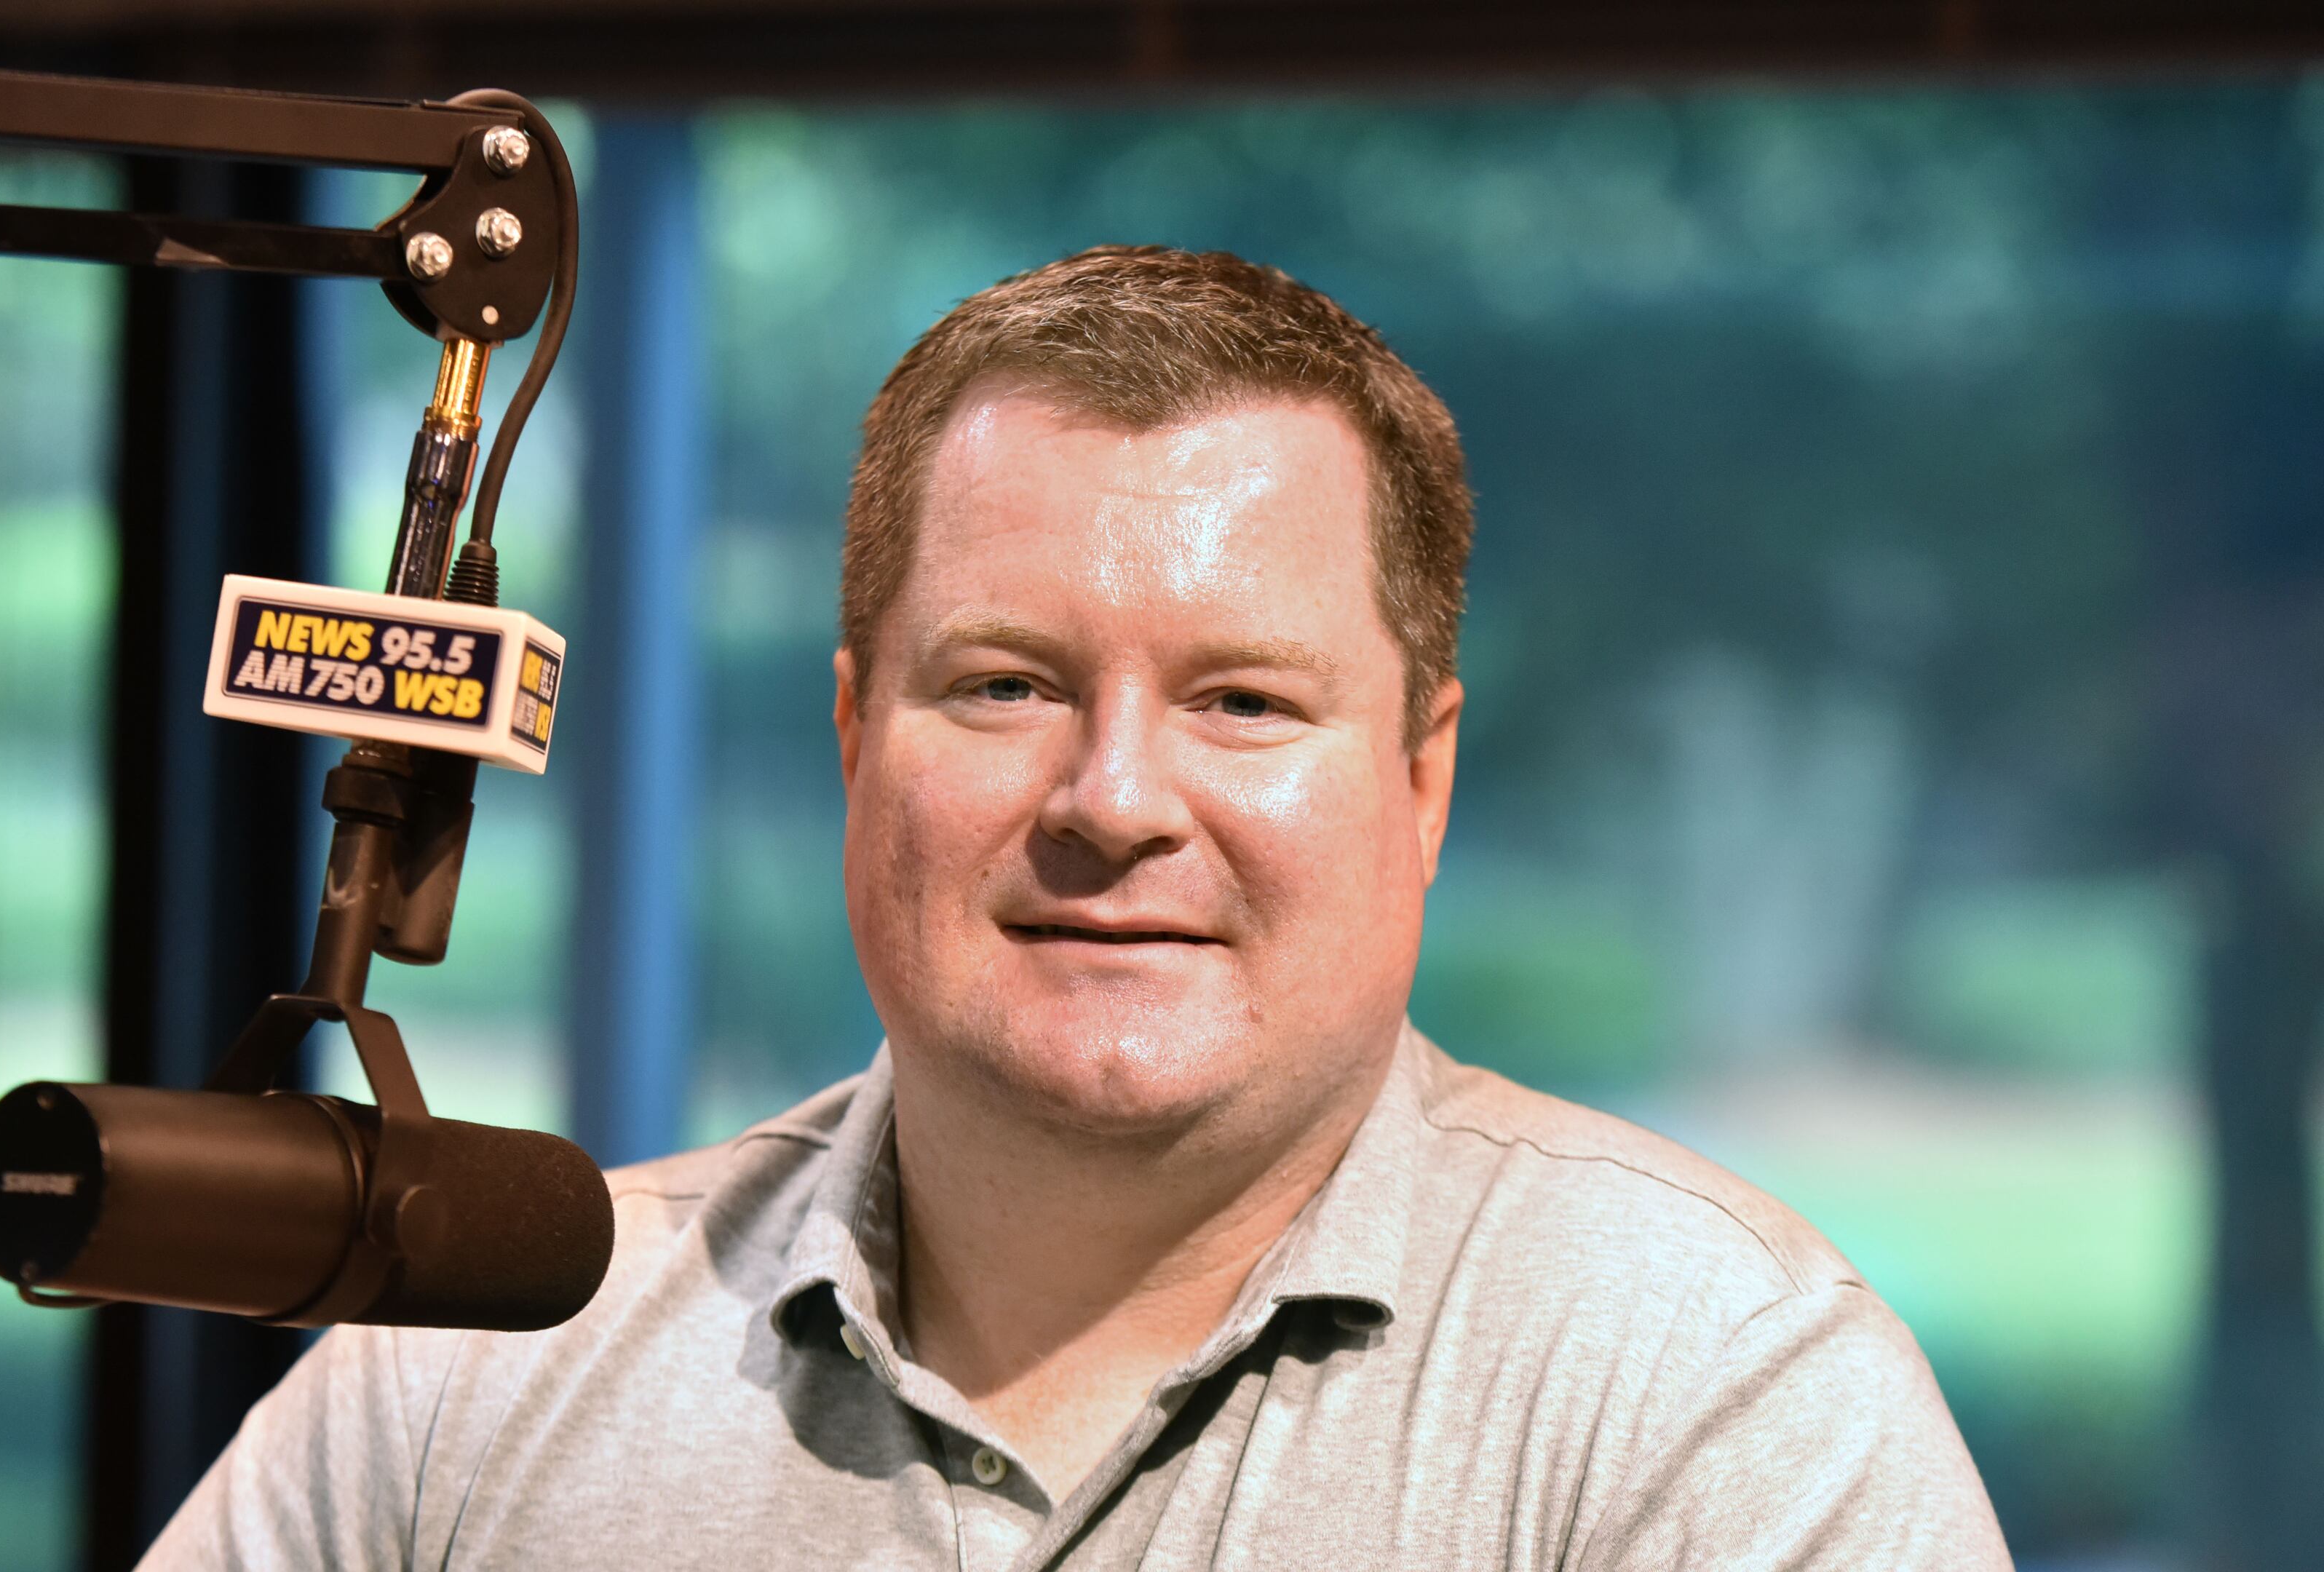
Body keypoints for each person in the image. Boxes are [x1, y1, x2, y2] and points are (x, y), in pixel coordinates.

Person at [148, 246, 2010, 1569]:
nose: (1114, 802)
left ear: (1422, 779)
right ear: (854, 730)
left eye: (1244, 703)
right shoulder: (476, 1367)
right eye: (1006, 686)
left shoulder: (1714, 1396)